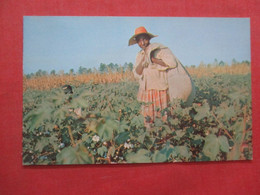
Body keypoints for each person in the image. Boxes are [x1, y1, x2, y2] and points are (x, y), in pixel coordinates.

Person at [129, 26, 195, 127]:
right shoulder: (139, 55)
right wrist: (143, 61)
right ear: (137, 42)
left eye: (144, 39)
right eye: (139, 40)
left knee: (162, 117)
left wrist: (153, 59)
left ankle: (163, 138)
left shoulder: (159, 49)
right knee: (147, 119)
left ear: (148, 39)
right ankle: (150, 137)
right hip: (145, 91)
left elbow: (172, 63)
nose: (142, 42)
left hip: (160, 89)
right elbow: (136, 73)